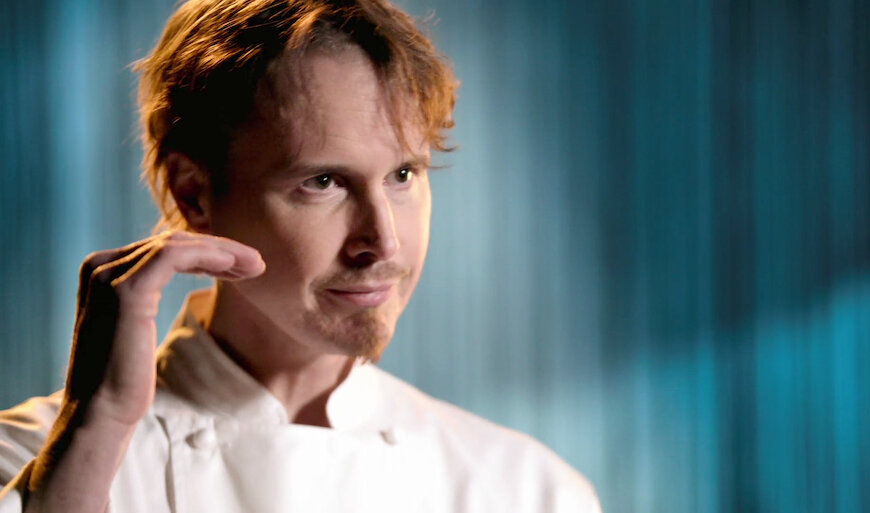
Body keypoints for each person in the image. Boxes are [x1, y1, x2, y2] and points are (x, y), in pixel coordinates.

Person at [0, 0, 602, 511]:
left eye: (402, 174)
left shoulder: (527, 490)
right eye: (323, 182)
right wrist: (101, 423)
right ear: (194, 194)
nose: (383, 242)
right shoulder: (33, 461)